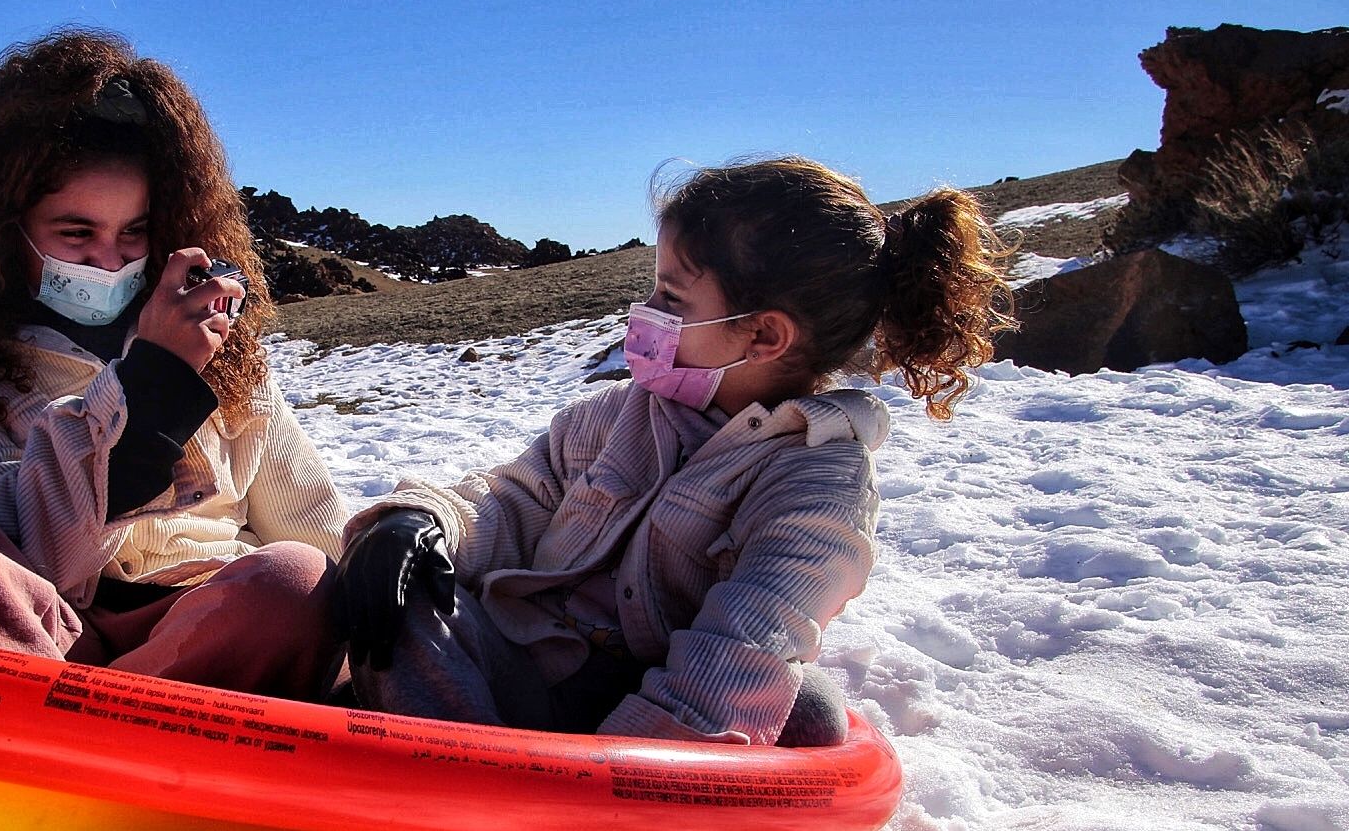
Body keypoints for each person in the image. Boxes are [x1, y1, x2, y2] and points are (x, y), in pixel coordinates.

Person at [335, 157, 1013, 745]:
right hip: (512, 665)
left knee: (803, 714)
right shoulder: (619, 412)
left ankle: (501, 808)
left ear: (763, 337)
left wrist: (611, 787)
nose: (646, 310)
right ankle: (452, 771)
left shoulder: (816, 481)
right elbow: (515, 497)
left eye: (672, 296)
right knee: (408, 587)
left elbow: (743, 650)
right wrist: (425, 521)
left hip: (645, 714)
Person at [0, 30, 347, 699]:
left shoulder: (227, 356)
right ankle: (57, 742)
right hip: (43, 638)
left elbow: (314, 526)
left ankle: (76, 737)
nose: (108, 262)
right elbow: (8, 553)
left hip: (204, 632)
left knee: (295, 579)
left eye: (132, 233)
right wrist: (151, 389)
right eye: (76, 234)